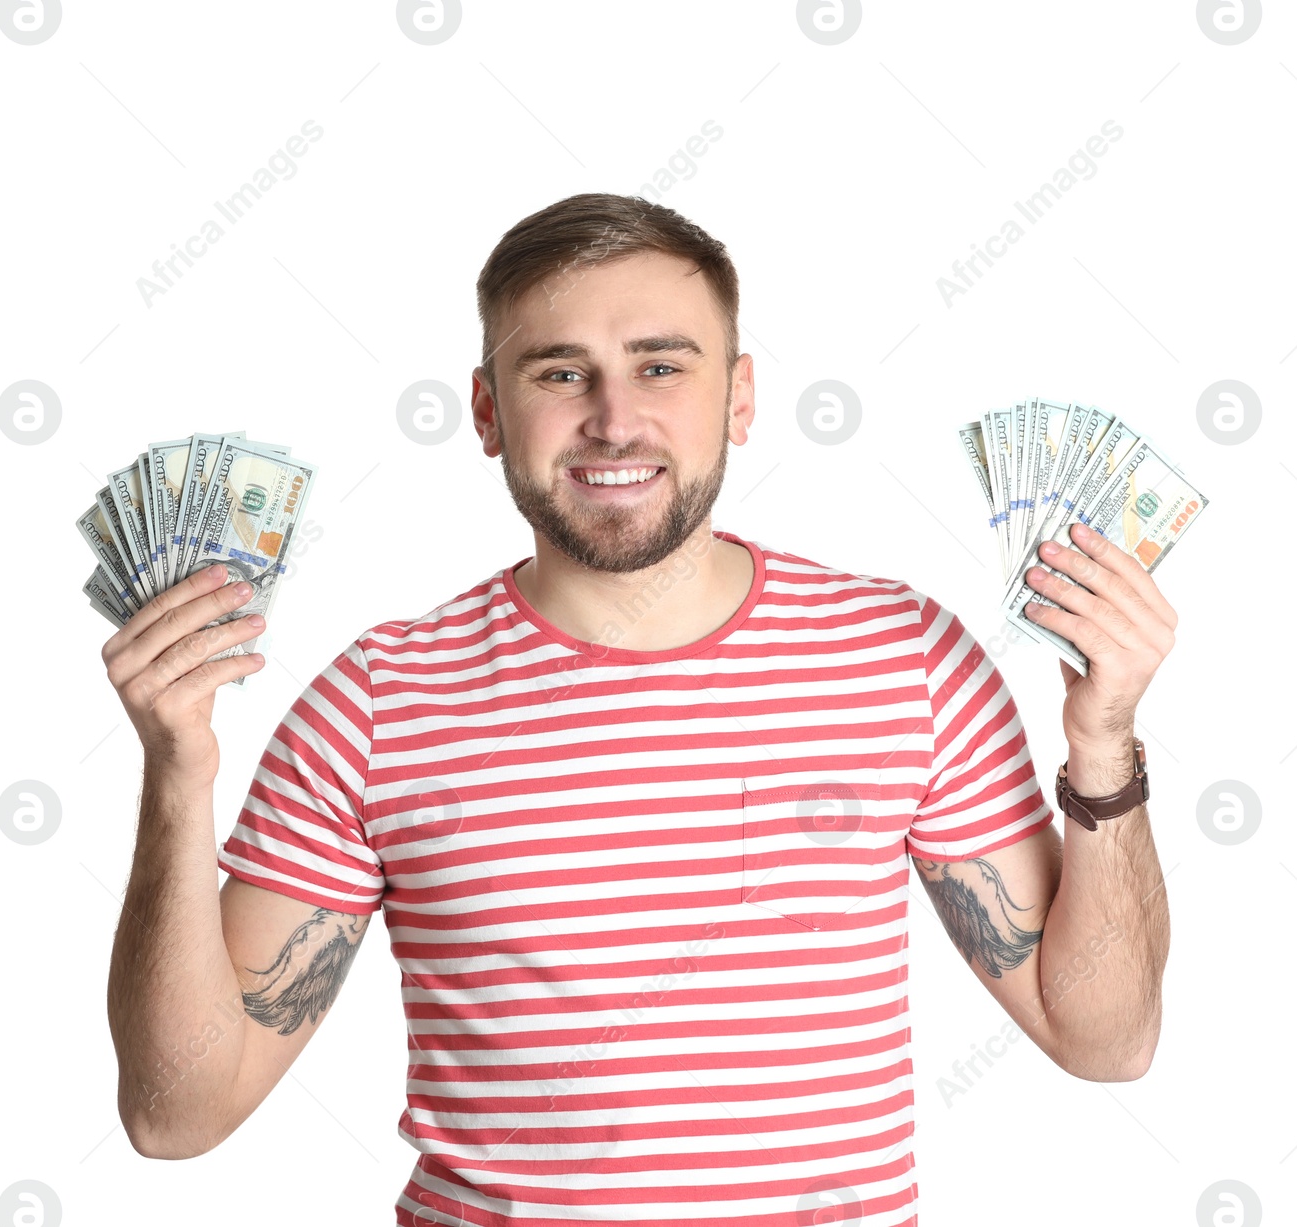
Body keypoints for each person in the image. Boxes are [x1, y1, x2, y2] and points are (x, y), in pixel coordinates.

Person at [104, 193, 1175, 1225]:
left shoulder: (906, 660)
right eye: (560, 371)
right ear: (487, 410)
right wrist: (176, 775)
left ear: (739, 397)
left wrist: (1101, 745)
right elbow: (176, 1116)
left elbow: (1105, 1042)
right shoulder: (378, 703)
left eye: (661, 366)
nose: (615, 421)